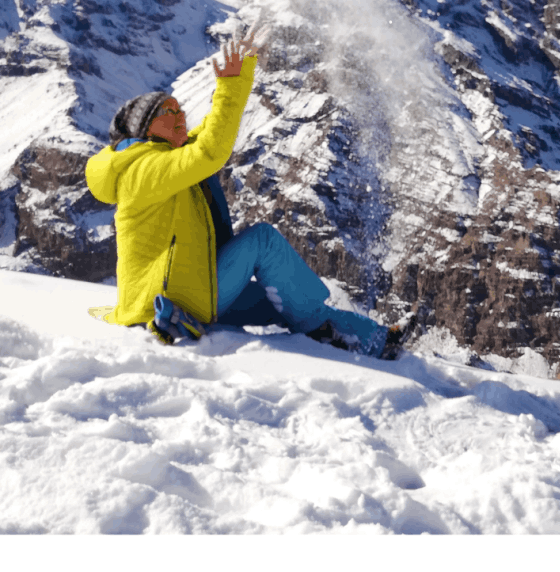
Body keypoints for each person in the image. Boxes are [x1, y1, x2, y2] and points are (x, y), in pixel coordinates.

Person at [85, 29, 397, 357]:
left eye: (179, 109)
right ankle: (337, 338)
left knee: (287, 300)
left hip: (182, 286)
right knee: (262, 241)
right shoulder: (144, 170)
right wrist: (230, 85)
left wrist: (241, 73)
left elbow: (204, 133)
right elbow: (208, 152)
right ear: (145, 129)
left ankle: (375, 337)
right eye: (168, 113)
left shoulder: (155, 161)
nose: (180, 117)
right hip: (173, 296)